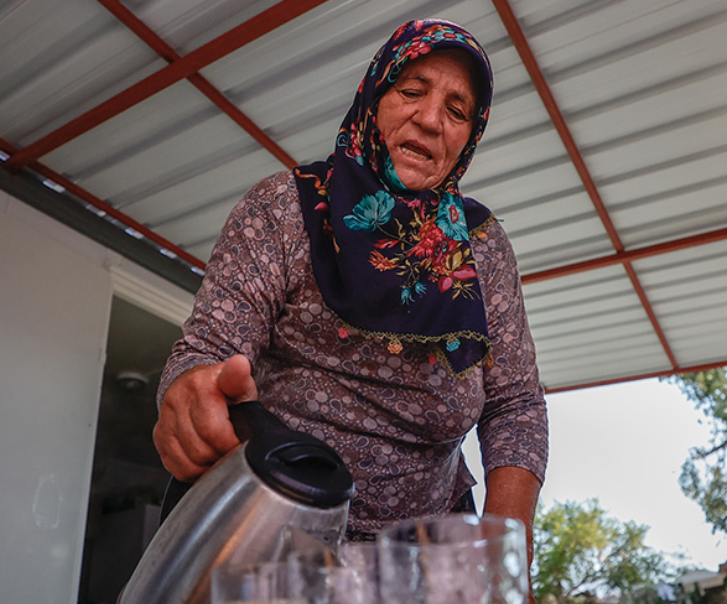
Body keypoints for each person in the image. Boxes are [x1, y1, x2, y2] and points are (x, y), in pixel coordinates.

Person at [153, 20, 547, 553]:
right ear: (374, 96)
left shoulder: (482, 247)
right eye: (411, 91)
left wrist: (506, 560)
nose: (431, 120)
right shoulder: (283, 209)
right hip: (271, 536)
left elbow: (515, 404)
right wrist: (191, 391)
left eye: (457, 112)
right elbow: (206, 354)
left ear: (468, 138)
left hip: (426, 559)